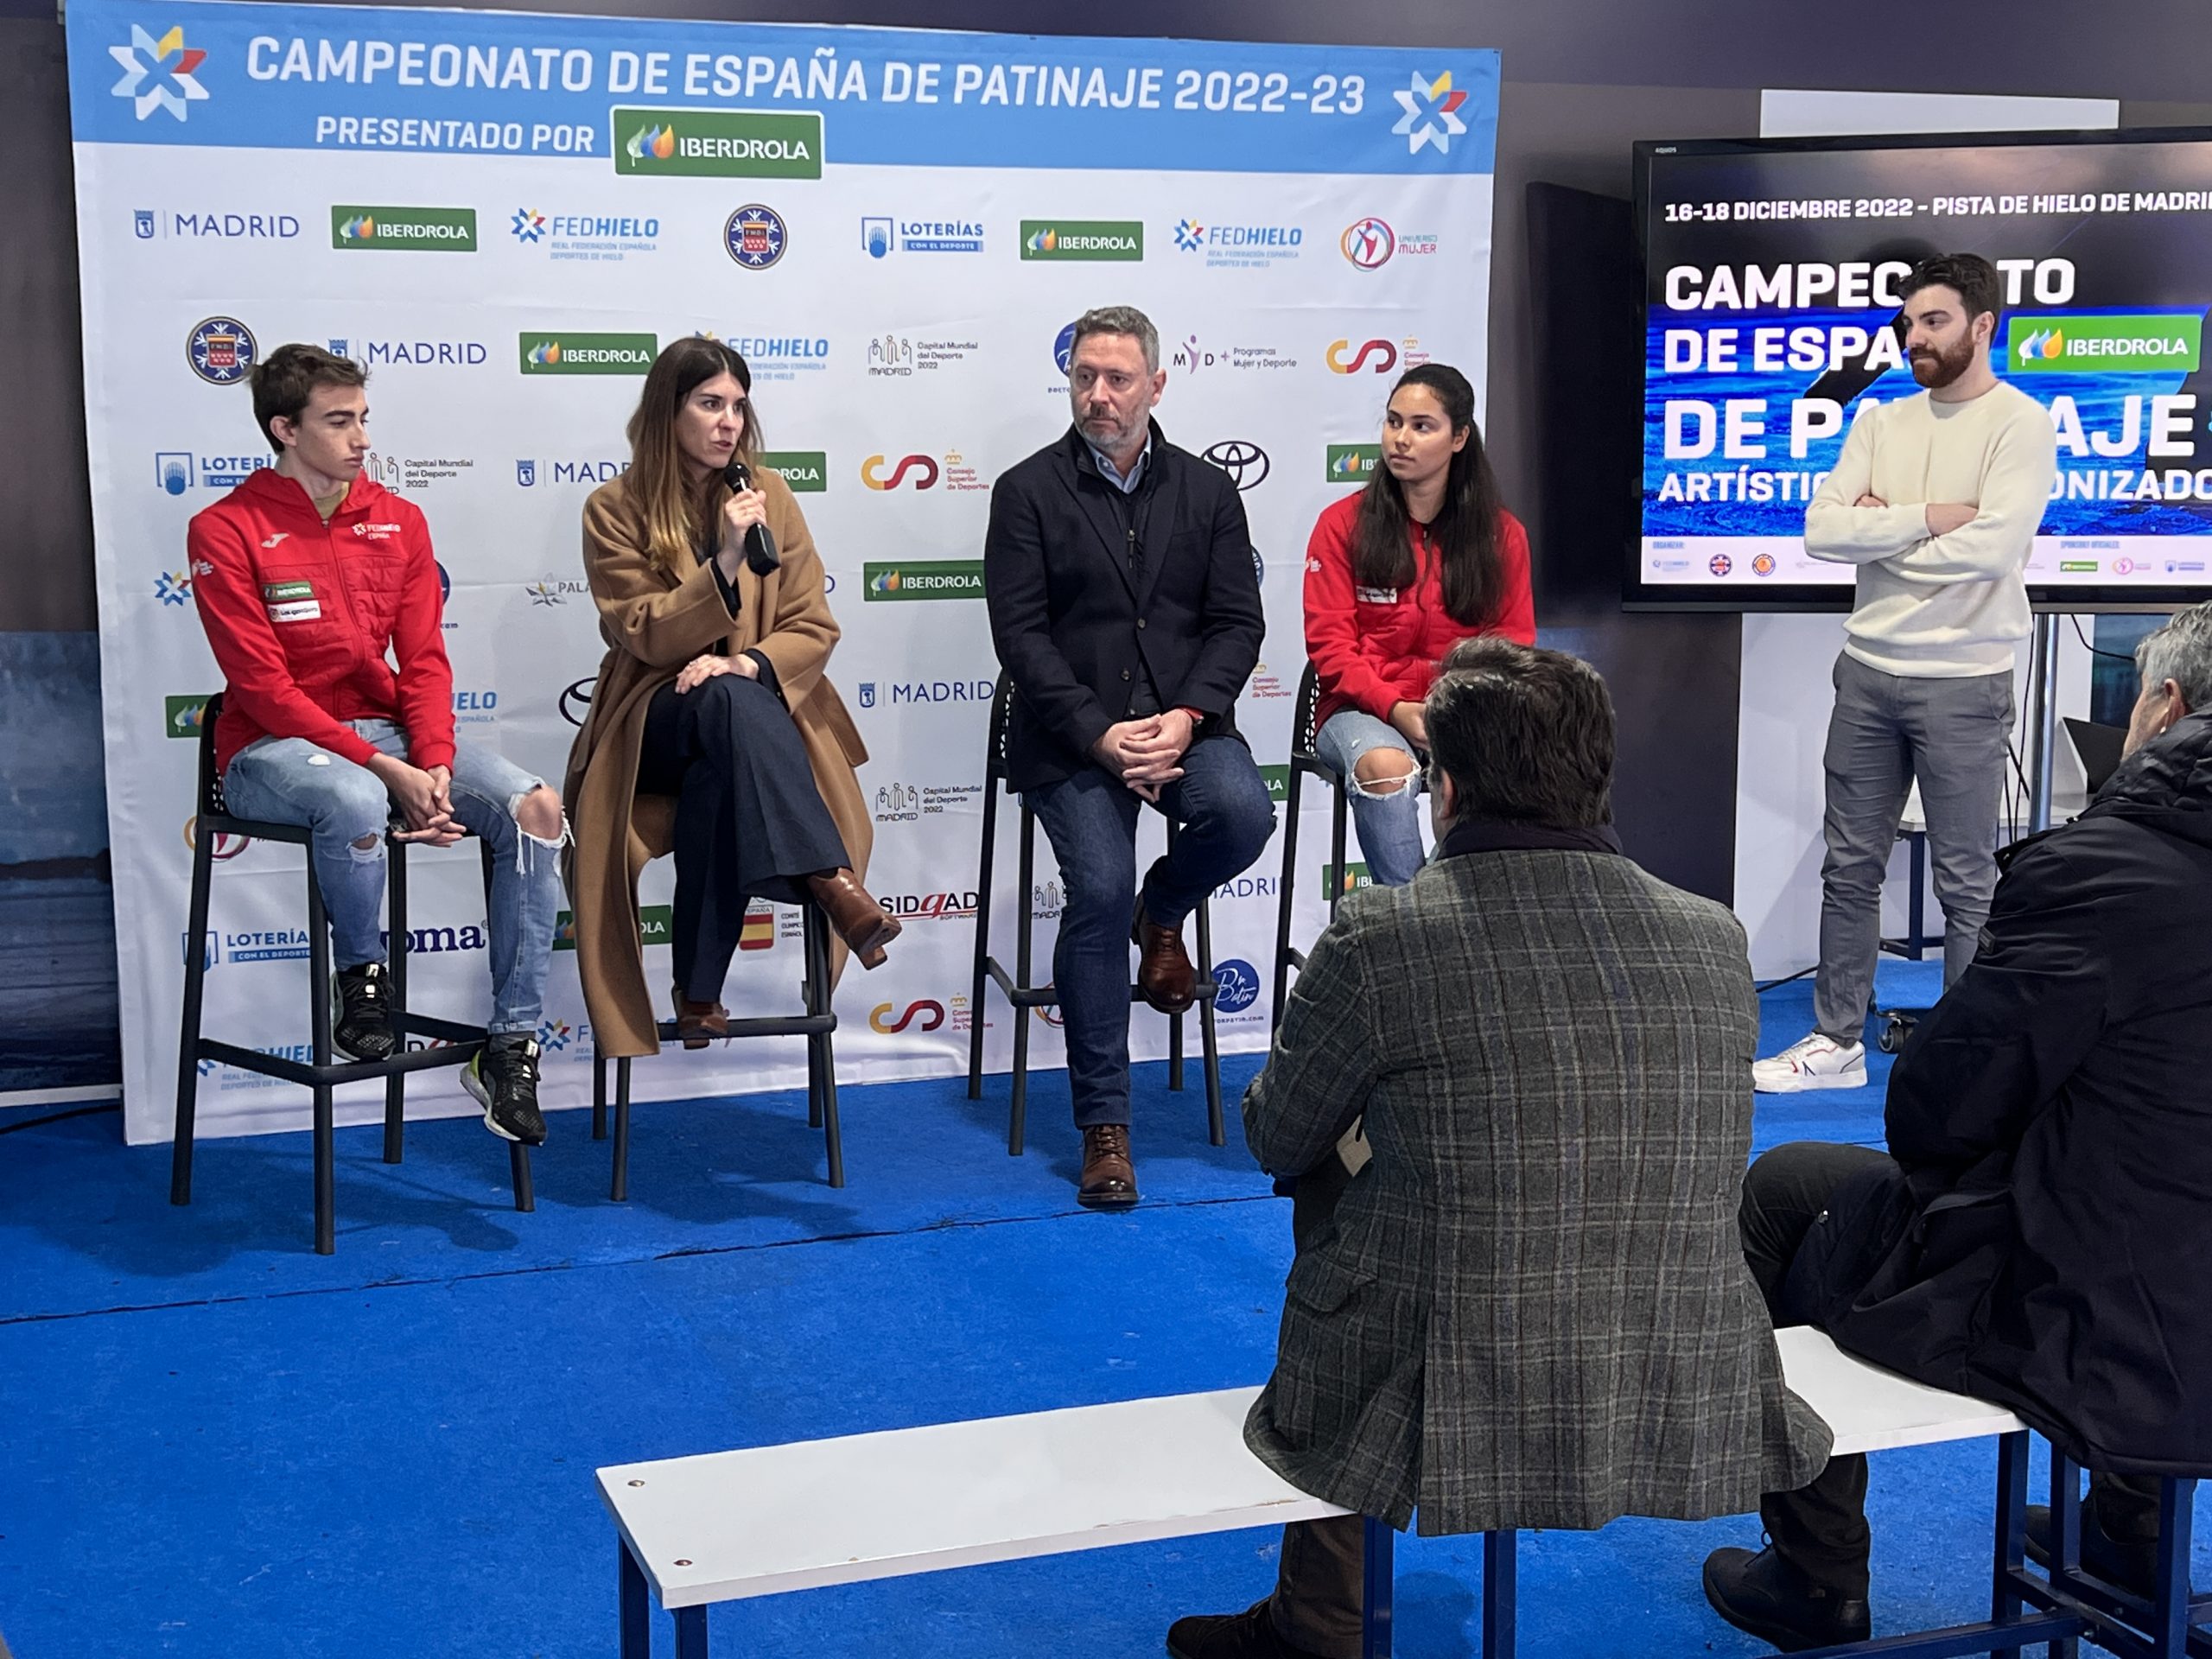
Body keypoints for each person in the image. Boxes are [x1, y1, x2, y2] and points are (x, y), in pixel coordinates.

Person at [1169, 639, 1830, 1659]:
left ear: (1447, 788)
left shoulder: (1383, 934)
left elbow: (1274, 1134)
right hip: (1675, 1349)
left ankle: (1321, 1620)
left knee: (1325, 1178)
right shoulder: (1715, 935)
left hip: (1444, 1360)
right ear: (1598, 774)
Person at [1705, 601, 2212, 1652]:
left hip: (2098, 1312)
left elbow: (1937, 1109)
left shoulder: (2103, 872)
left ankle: (1815, 1570)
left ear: (2161, 707)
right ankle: (2130, 1528)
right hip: (2169, 1291)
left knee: (1788, 1185)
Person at [187, 343, 564, 1145]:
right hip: (267, 752)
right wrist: (386, 770)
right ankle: (361, 979)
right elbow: (263, 690)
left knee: (532, 805)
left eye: (363, 419)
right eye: (339, 421)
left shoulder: (401, 520)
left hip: (389, 739)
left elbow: (424, 661)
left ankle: (510, 1046)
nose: (362, 439)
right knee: (352, 794)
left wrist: (429, 762)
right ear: (284, 429)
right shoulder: (225, 528)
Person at [983, 304, 1275, 1209]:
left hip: (1182, 730)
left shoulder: (1207, 491)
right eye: (1084, 377)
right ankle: (1104, 1125)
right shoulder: (1026, 490)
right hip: (1074, 738)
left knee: (1242, 814)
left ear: (1156, 383)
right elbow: (1020, 638)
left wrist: (1186, 717)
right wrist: (1101, 738)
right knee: (1099, 890)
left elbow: (1238, 625)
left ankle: (1168, 907)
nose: (1098, 395)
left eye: (1117, 378)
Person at [1757, 252, 2059, 1094]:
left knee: (1966, 882)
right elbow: (1820, 531)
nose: (1915, 337)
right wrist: (1929, 520)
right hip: (1866, 672)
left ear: (1982, 326)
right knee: (1847, 867)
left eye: (1933, 322)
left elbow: (1996, 549)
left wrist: (1882, 534)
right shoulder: (1879, 424)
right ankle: (1835, 1043)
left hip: (1964, 680)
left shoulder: (2019, 424)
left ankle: (1956, 1066)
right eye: (1909, 323)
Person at [563, 339, 893, 1060]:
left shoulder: (769, 494)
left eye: (738, 406)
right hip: (652, 720)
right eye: (710, 404)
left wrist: (745, 662)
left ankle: (698, 992)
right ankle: (828, 878)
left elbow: (813, 624)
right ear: (666, 413)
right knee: (716, 707)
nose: (729, 423)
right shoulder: (612, 508)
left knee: (726, 734)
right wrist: (725, 562)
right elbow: (645, 634)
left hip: (748, 713)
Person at [1302, 362, 1535, 887]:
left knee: (1525, 770)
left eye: (1421, 426)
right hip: (1362, 708)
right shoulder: (1342, 525)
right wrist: (1396, 708)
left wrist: (1454, 710)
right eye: (1393, 422)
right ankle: (1414, 930)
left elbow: (1512, 647)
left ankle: (1485, 927)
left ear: (1459, 438)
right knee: (1387, 770)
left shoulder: (1503, 536)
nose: (1400, 439)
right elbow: (1330, 647)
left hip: (1463, 708)